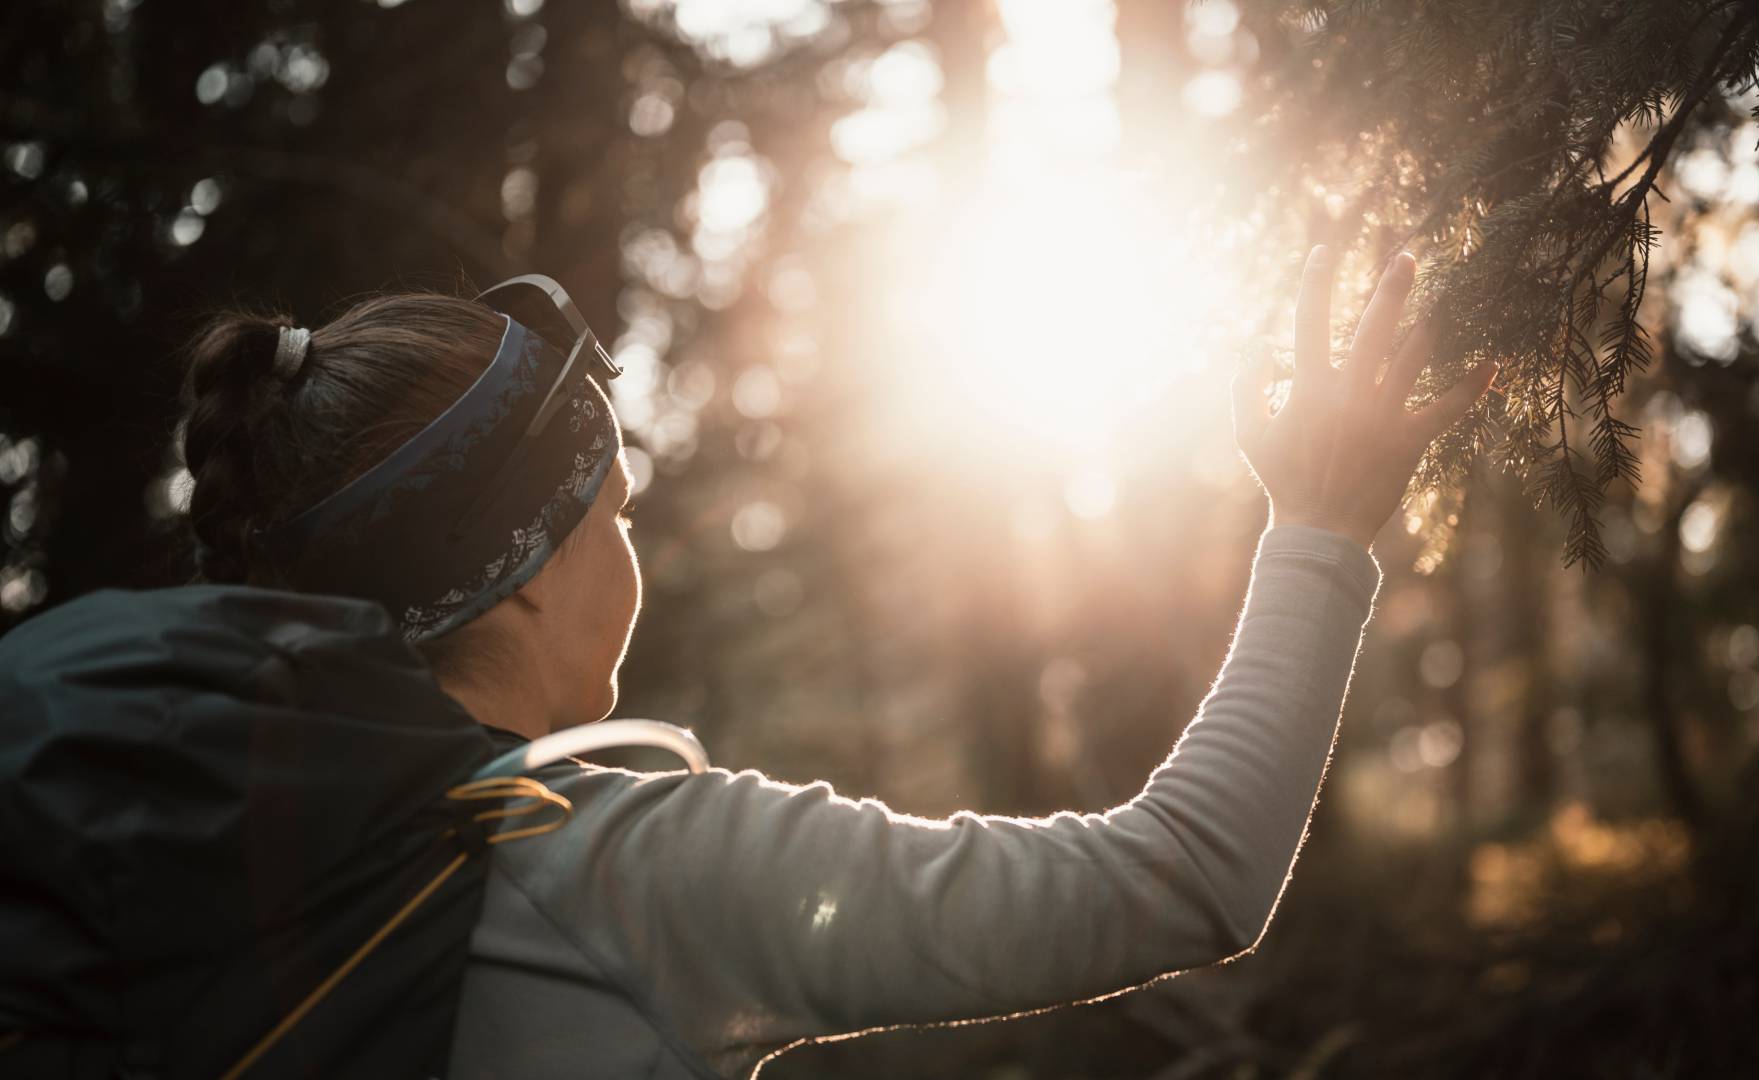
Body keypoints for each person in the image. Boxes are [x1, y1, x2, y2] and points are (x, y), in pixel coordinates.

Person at [171, 246, 1493, 1078]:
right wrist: (1320, 530)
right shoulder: (636, 868)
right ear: (515, 575)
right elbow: (1187, 879)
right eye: (612, 517)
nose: (633, 558)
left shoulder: (173, 853)